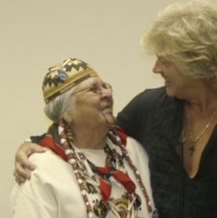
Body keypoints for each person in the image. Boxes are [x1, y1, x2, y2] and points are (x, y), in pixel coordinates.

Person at [14, 0, 217, 217]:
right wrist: (36, 143)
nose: (156, 69)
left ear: (196, 62)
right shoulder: (150, 108)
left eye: (164, 61)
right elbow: (93, 131)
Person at [10, 58, 157, 218]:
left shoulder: (132, 151)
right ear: (66, 112)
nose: (107, 93)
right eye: (93, 89)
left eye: (104, 86)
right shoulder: (40, 170)